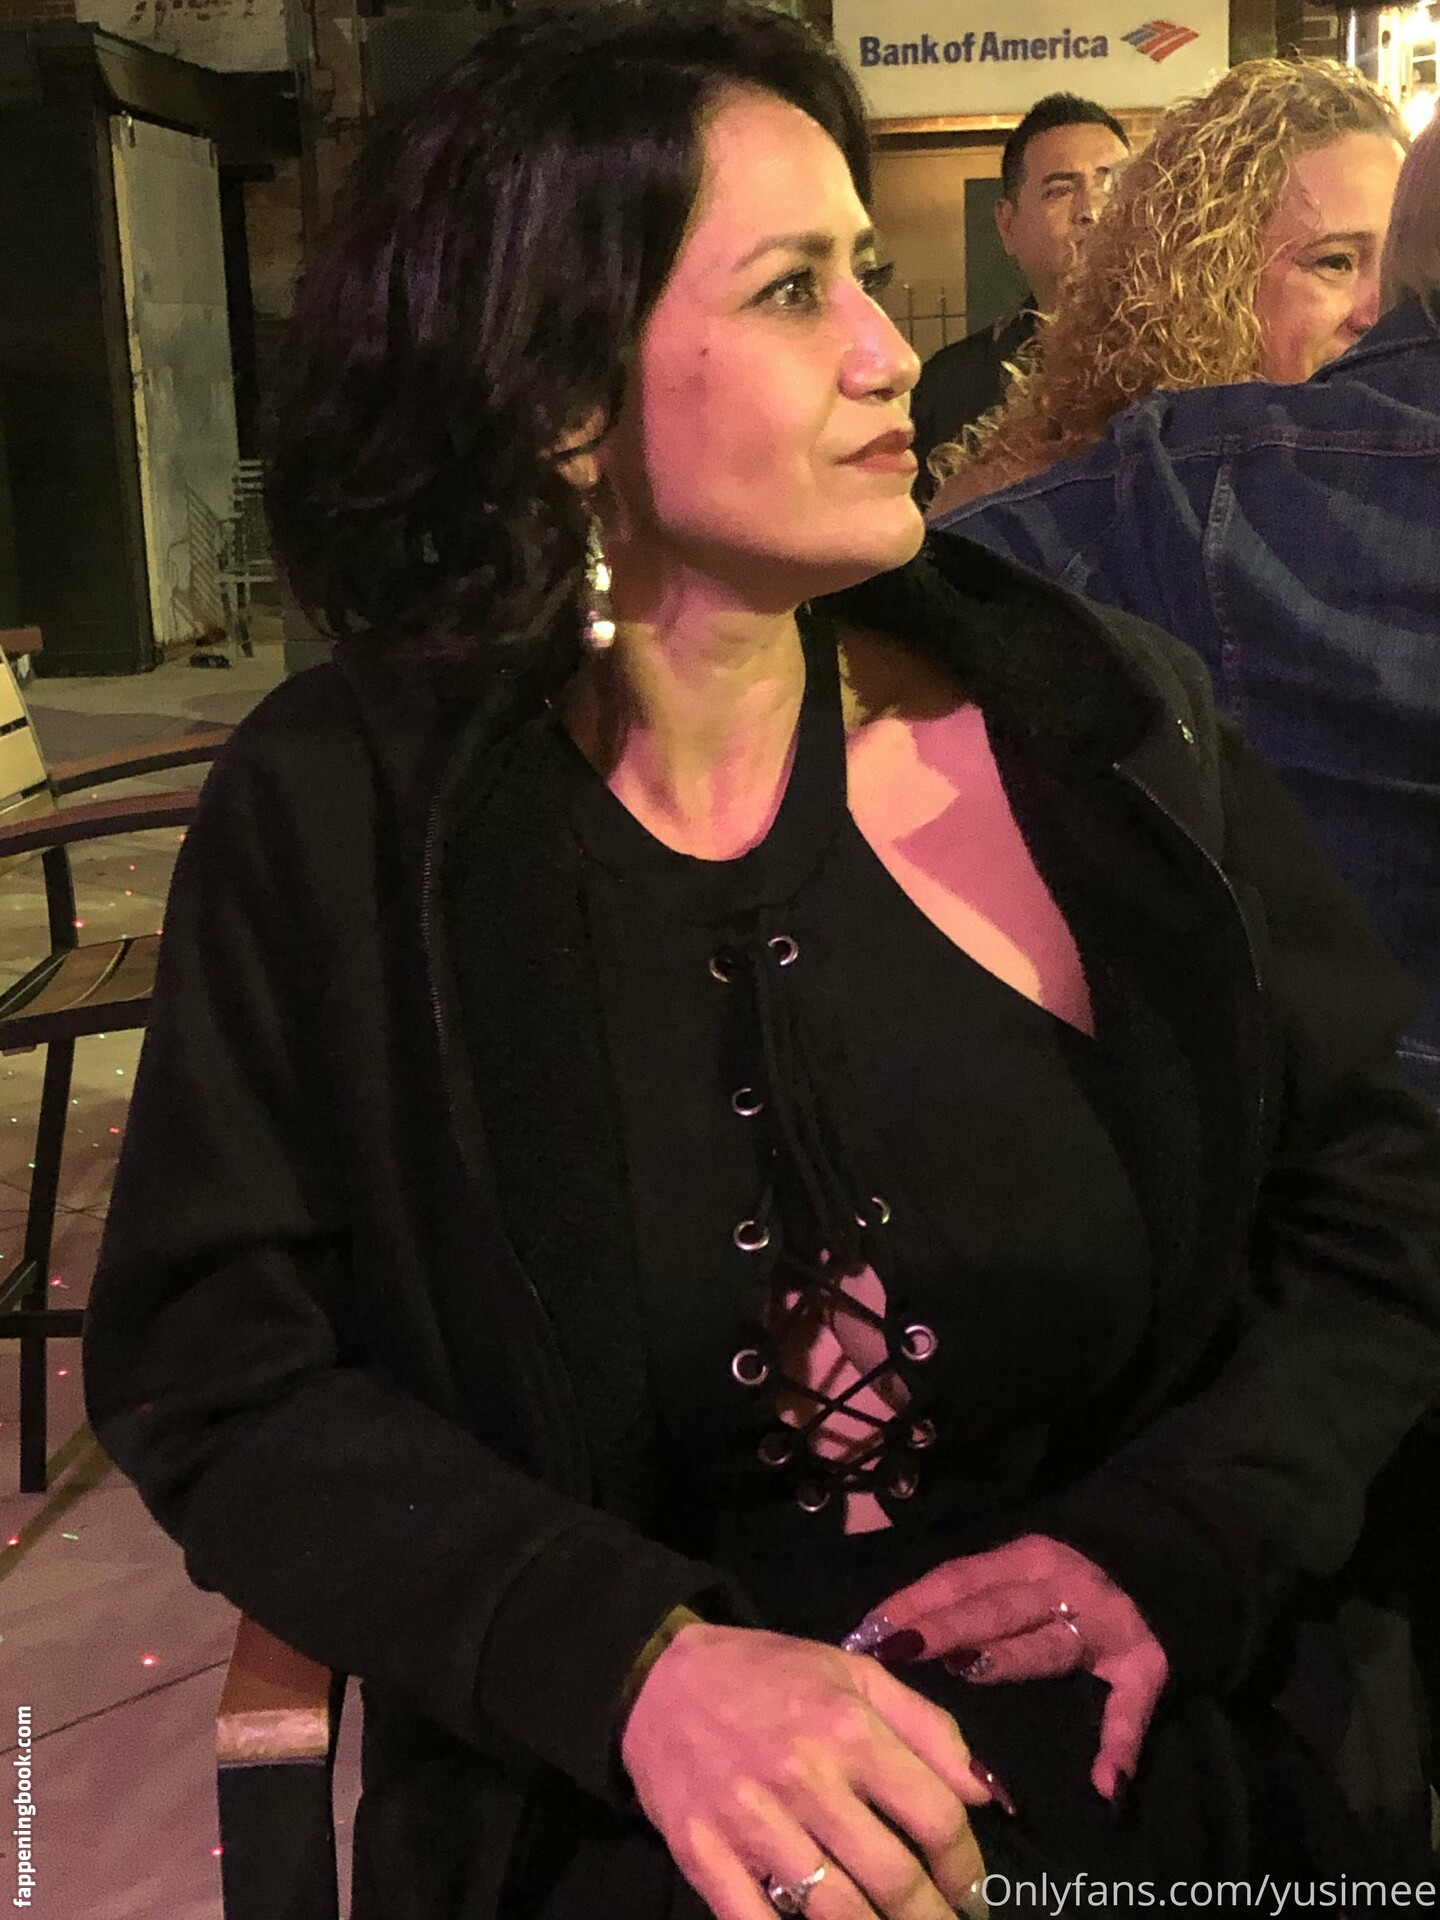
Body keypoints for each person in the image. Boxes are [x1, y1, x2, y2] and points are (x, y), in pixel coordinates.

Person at [82, 6, 1440, 1916]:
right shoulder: (344, 817)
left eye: (865, 274)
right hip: (619, 1813)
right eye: (798, 291)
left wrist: (1187, 1543)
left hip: (1150, 1779)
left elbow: (1379, 1206)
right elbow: (213, 1371)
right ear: (560, 398)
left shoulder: (1099, 731)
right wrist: (633, 1669)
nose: (891, 352)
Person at [933, 114, 1440, 1110]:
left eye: (1388, 264)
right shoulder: (1138, 503)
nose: (1372, 310)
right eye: (1334, 262)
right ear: (1201, 281)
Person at [927, 58, 1405, 513]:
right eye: (1336, 262)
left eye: (1401, 265)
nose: (1384, 312)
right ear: (1212, 276)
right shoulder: (1040, 507)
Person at [909, 94, 1129, 499]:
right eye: (1061, 190)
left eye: (1111, 184)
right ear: (1008, 225)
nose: (1091, 211)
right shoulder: (949, 390)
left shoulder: (1193, 359)